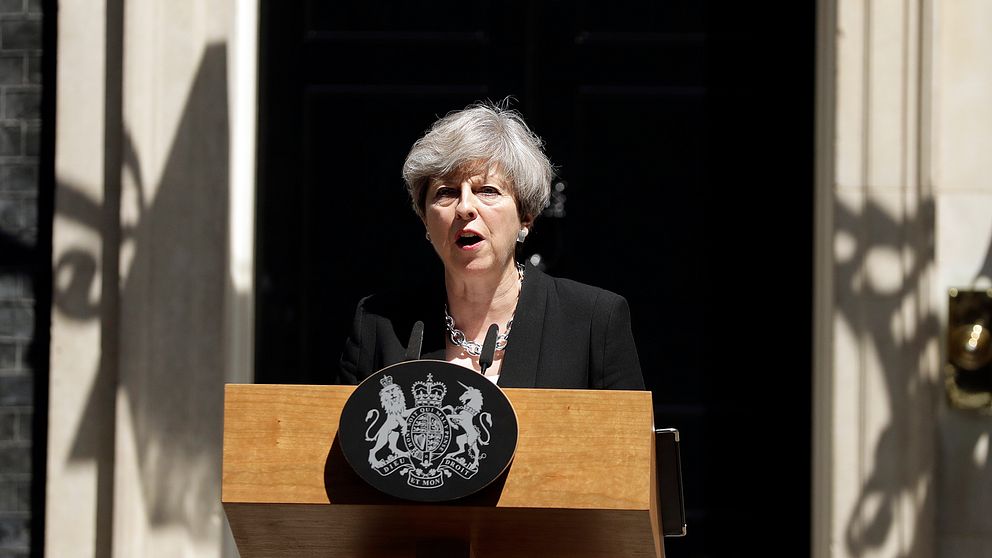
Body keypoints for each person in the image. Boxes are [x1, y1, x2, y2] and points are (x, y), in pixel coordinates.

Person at [339, 101, 644, 390]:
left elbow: (627, 443)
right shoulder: (379, 323)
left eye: (487, 190)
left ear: (525, 217)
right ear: (425, 221)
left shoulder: (593, 321)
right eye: (446, 193)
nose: (464, 208)